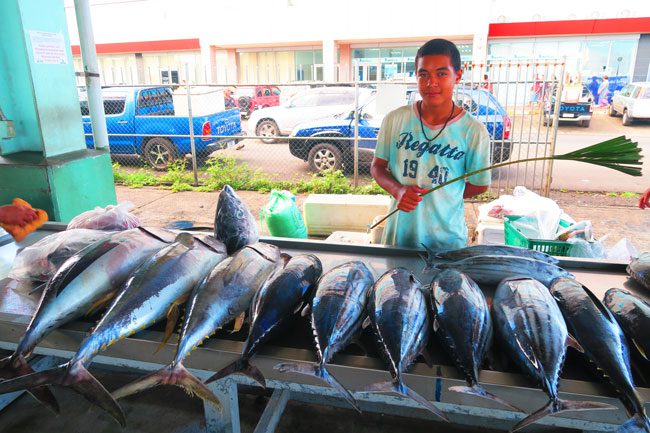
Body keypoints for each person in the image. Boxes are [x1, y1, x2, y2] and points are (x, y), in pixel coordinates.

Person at [370, 38, 491, 251]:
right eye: (423, 74)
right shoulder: (394, 120)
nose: (431, 82)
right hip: (400, 236)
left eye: (441, 74)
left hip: (446, 242)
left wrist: (445, 193)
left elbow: (480, 183)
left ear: (458, 76)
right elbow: (377, 166)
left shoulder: (473, 131)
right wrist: (398, 191)